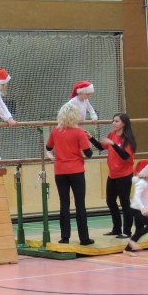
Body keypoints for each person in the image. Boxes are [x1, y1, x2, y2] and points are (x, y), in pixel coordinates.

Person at [45, 103, 95, 246]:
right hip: (76, 171)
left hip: (60, 171)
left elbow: (48, 147)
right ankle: (84, 238)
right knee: (80, 204)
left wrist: (53, 155)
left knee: (64, 204)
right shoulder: (79, 132)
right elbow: (89, 153)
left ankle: (65, 237)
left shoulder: (55, 131)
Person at [87, 113, 136, 238]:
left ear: (123, 124)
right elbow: (101, 147)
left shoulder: (128, 139)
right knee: (110, 201)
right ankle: (116, 228)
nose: (113, 123)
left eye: (116, 121)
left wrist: (113, 144)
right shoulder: (112, 135)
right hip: (113, 174)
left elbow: (125, 156)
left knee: (124, 202)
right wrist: (90, 138)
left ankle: (127, 231)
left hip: (124, 174)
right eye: (113, 121)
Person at [124, 159, 148, 256]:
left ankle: (127, 249)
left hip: (138, 209)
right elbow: (137, 196)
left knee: (139, 229)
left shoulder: (146, 182)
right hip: (137, 209)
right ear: (147, 171)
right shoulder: (141, 183)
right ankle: (131, 242)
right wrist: (142, 208)